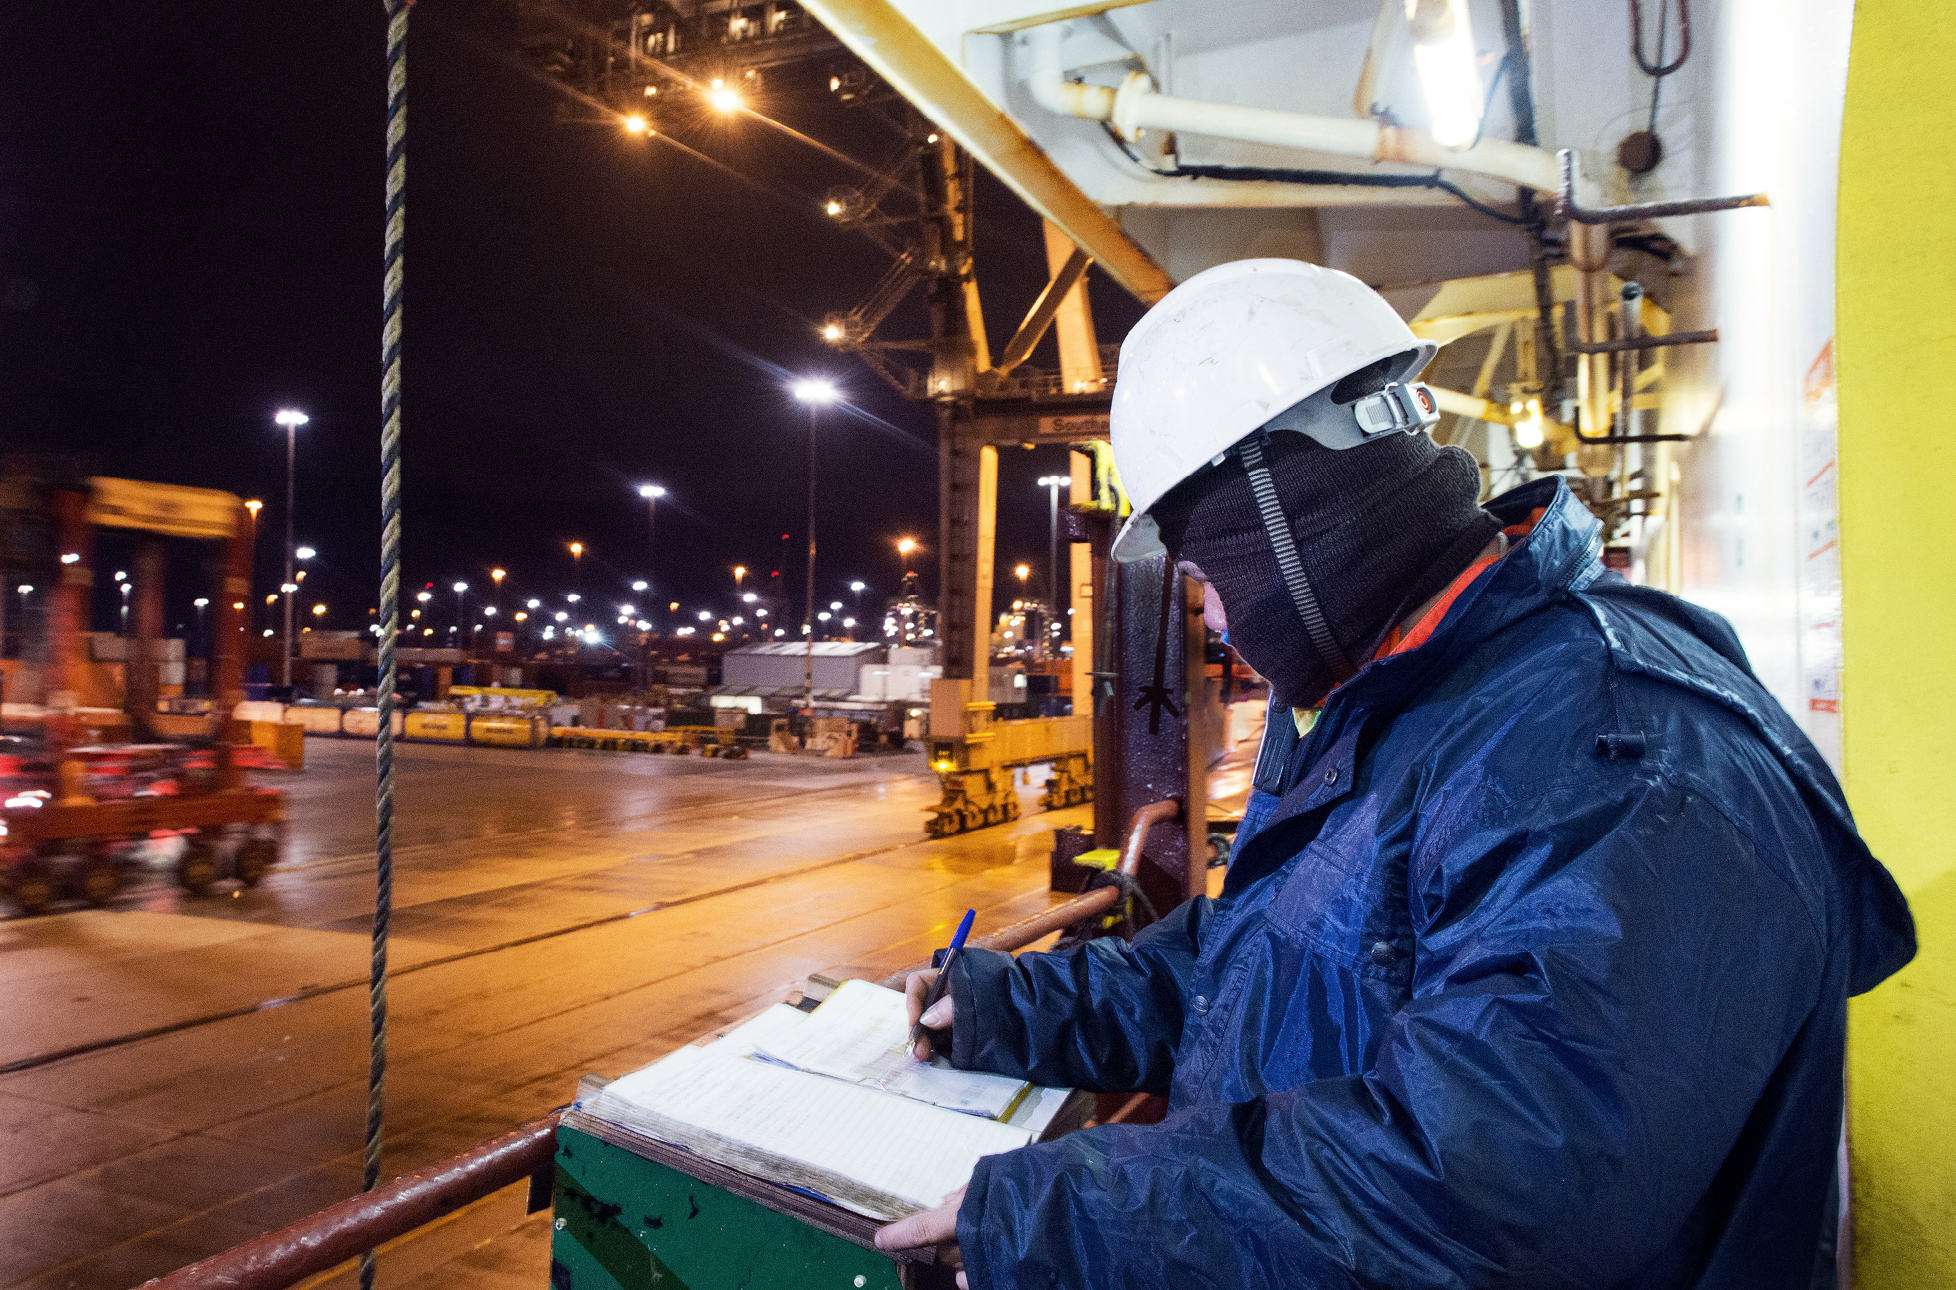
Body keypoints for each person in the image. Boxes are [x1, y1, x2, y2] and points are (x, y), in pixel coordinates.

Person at [875, 259, 1914, 1289]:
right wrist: (1017, 1007)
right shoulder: (1423, 700)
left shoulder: (1607, 753)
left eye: (1205, 578)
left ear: (1281, 521)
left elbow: (1493, 1192)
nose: (1218, 623)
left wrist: (1071, 1216)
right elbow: (1275, 965)